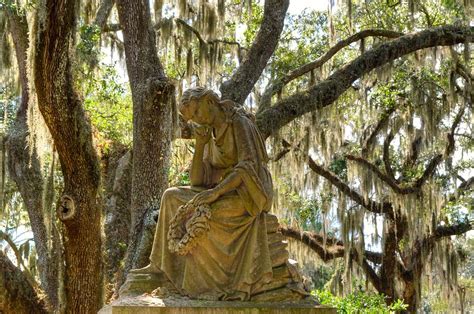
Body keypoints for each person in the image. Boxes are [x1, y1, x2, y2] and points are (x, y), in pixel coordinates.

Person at [131, 87, 274, 301]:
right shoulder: (209, 132)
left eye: (196, 113)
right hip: (220, 191)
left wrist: (215, 193)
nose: (196, 120)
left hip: (247, 195)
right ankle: (159, 267)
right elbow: (198, 181)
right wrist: (200, 145)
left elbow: (248, 167)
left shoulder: (239, 122)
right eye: (192, 119)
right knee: (171, 196)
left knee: (204, 213)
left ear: (209, 101)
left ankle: (201, 284)